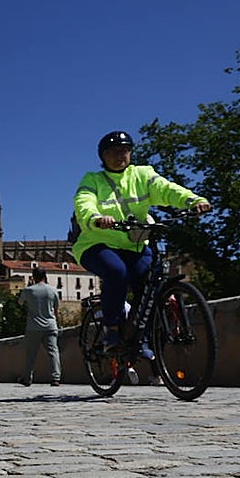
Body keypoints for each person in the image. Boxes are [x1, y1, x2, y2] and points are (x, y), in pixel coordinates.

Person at [73, 131, 211, 357]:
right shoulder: (93, 180)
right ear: (103, 156)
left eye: (125, 151)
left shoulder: (143, 175)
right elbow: (83, 203)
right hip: (96, 243)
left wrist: (193, 201)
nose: (121, 156)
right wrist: (95, 219)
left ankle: (141, 338)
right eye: (114, 152)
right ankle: (111, 330)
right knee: (116, 272)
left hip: (134, 245)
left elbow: (167, 190)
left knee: (149, 285)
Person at [17, 266, 60, 387]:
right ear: (45, 276)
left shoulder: (28, 291)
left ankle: (27, 378)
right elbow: (56, 309)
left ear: (33, 277)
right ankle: (55, 378)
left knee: (30, 354)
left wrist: (30, 285)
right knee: (53, 352)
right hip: (51, 325)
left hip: (33, 327)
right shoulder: (53, 290)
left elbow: (20, 302)